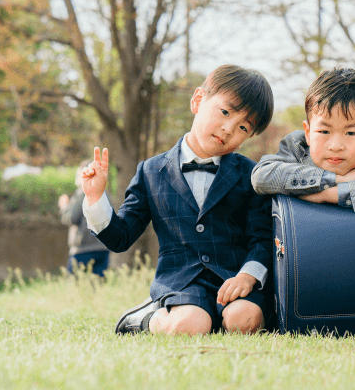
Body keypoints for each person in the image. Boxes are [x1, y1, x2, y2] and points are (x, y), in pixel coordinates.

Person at [80, 65, 274, 335]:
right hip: (182, 283)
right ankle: (146, 319)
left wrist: (248, 275)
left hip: (234, 280)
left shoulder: (251, 175)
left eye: (243, 126)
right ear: (197, 100)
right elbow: (119, 237)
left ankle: (220, 318)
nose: (228, 128)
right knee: (189, 326)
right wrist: (95, 197)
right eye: (225, 112)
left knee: (245, 320)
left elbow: (263, 237)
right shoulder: (150, 171)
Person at [251, 68, 355, 211]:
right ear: (308, 132)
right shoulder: (297, 147)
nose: (335, 146)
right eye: (324, 131)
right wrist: (338, 179)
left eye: (351, 133)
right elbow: (261, 177)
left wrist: (329, 194)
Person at [58, 162, 109, 276]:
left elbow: (72, 218)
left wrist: (64, 207)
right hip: (102, 248)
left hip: (83, 249)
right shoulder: (104, 193)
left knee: (75, 287)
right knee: (97, 287)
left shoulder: (83, 192)